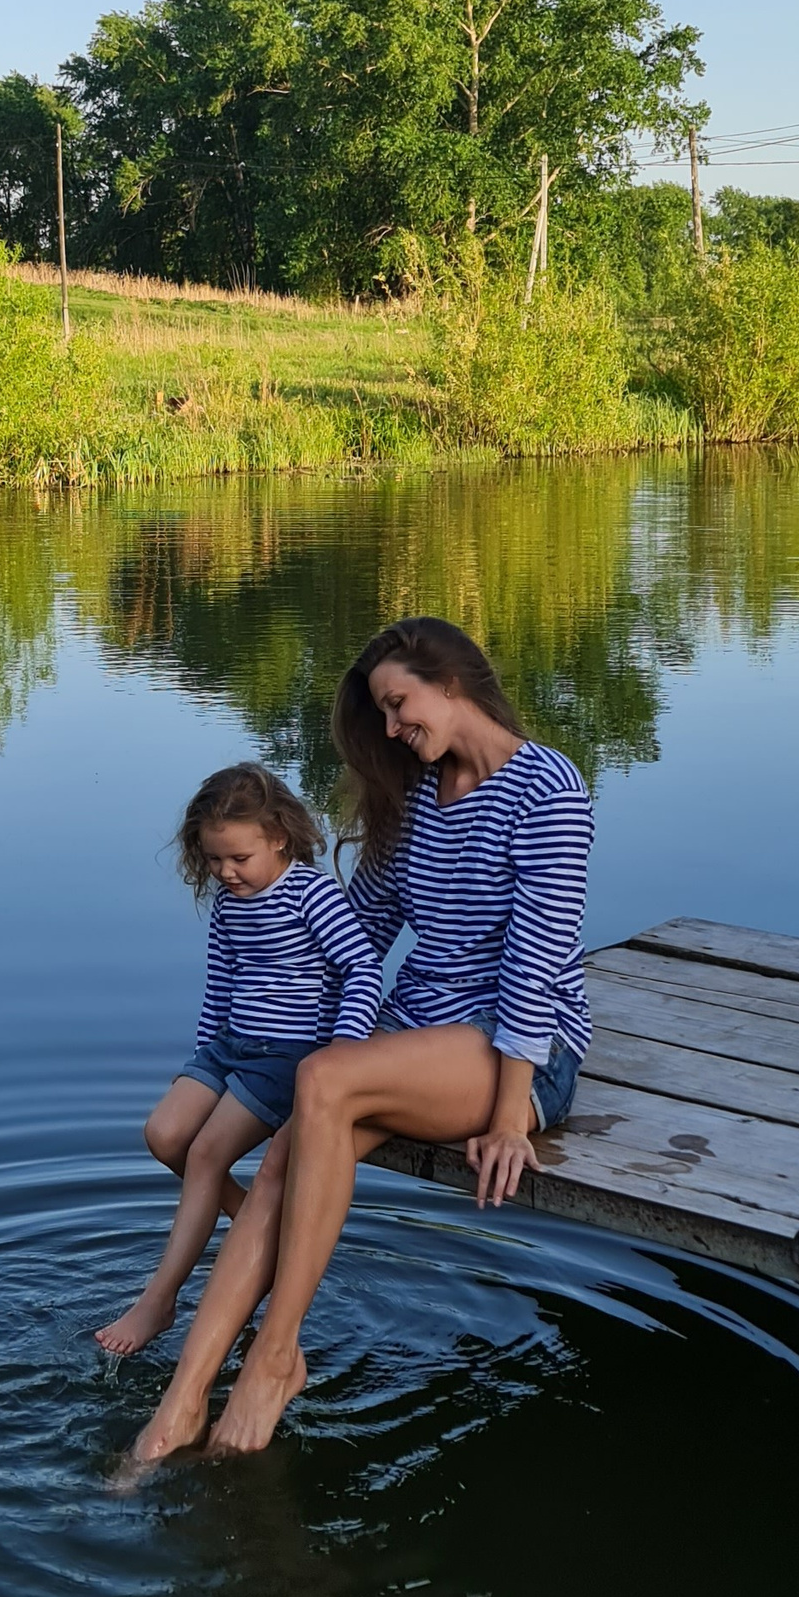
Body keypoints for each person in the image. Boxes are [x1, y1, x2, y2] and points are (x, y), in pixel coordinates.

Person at [129, 617, 593, 1462]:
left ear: (451, 681)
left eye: (398, 703)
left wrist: (511, 1114)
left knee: (325, 1081)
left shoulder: (549, 789)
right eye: (381, 712)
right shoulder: (417, 797)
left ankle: (275, 1356)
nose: (390, 728)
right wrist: (278, 941)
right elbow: (364, 925)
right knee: (282, 1158)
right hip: (418, 1030)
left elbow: (536, 958)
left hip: (519, 1048)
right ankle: (180, 1401)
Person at [92, 763, 387, 1360]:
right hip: (231, 1046)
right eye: (214, 860)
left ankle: (160, 1298)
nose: (226, 872)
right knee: (165, 1134)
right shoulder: (230, 905)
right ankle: (258, 1225)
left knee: (205, 1154)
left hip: (287, 1056)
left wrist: (340, 1053)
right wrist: (202, 1058)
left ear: (279, 837)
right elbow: (220, 986)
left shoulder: (312, 894)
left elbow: (363, 968)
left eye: (239, 858)